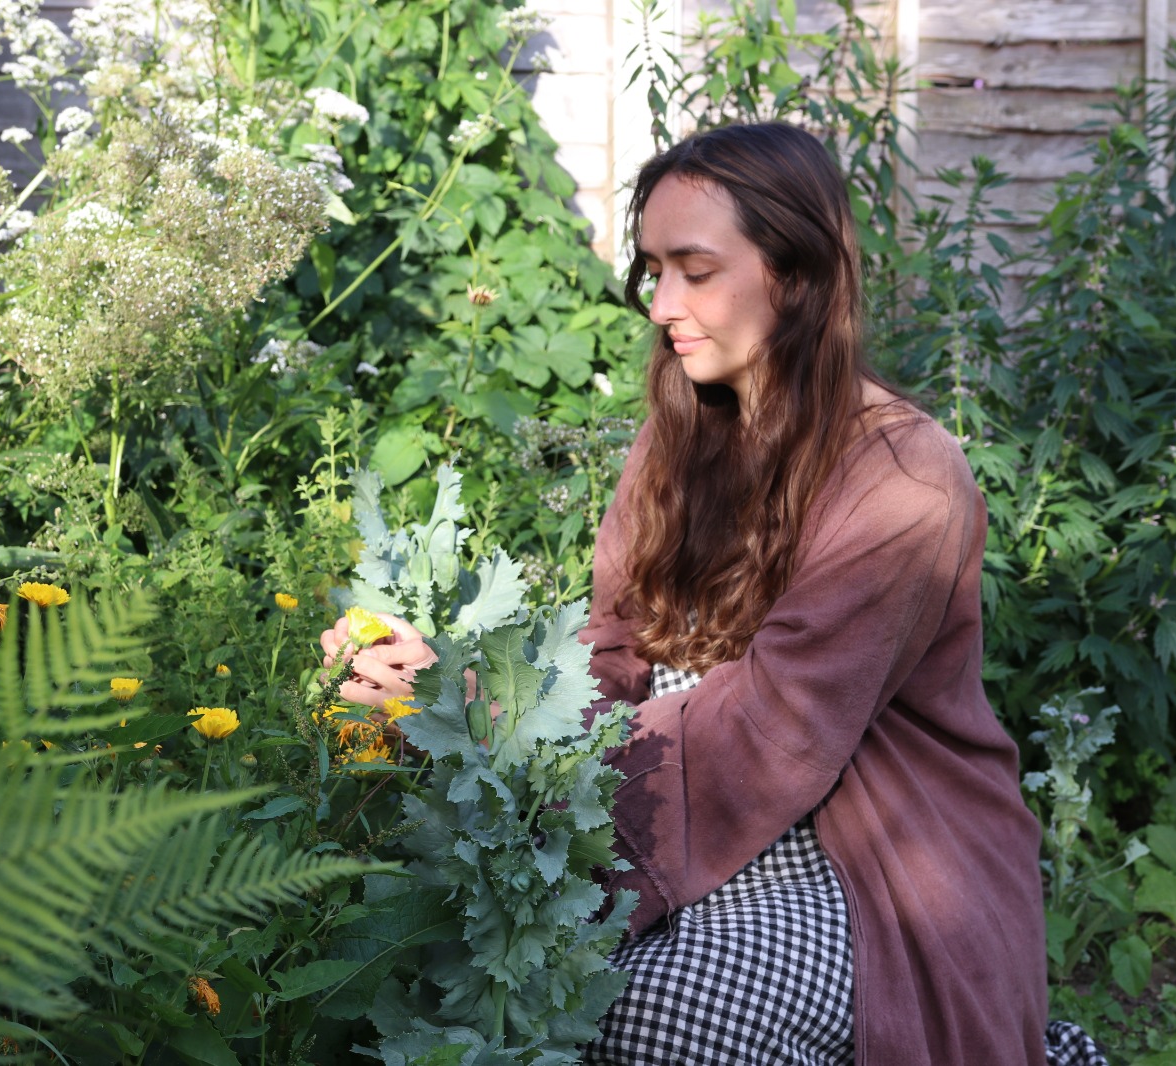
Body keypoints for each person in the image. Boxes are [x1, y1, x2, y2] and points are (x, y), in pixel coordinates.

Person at [320, 122, 1106, 1065]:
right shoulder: (681, 432)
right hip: (669, 785)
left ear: (797, 274)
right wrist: (456, 692)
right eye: (653, 270)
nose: (661, 305)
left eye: (695, 269)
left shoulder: (904, 477)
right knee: (433, 946)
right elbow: (616, 648)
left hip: (863, 835)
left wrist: (506, 732)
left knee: (663, 1011)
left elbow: (781, 724)